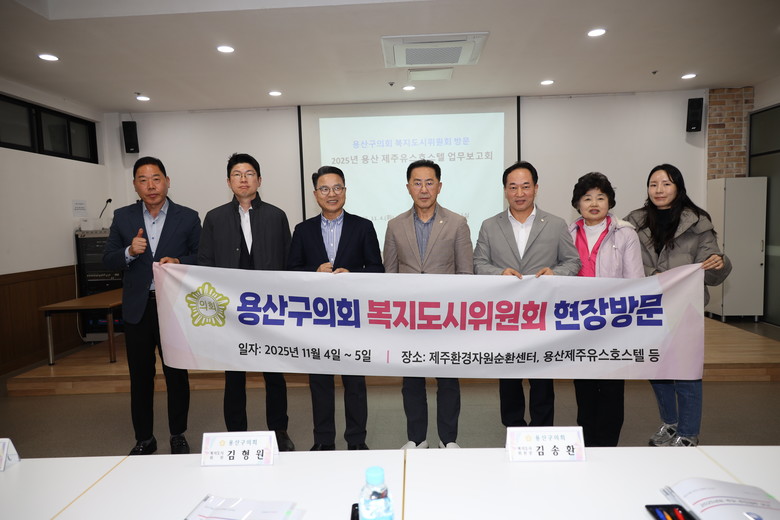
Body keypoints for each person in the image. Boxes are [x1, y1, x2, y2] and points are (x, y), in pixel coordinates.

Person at [626, 163, 731, 447]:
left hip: (685, 308)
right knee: (656, 369)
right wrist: (655, 277)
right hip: (648, 309)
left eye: (666, 184)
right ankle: (670, 424)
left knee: (686, 371)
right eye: (653, 184)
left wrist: (718, 263)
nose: (659, 190)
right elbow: (626, 263)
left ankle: (688, 432)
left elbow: (712, 272)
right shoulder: (633, 222)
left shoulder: (698, 222)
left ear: (678, 187)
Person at [103, 156, 201, 455]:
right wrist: (129, 251)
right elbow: (108, 260)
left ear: (167, 181)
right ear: (135, 185)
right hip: (139, 309)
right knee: (140, 376)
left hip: (174, 307)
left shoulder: (188, 217)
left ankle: (177, 434)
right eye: (143, 180)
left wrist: (180, 261)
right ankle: (144, 438)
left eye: (156, 179)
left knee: (176, 375)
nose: (150, 186)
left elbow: (203, 257)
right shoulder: (122, 217)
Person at [198, 152, 295, 451]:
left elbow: (289, 263)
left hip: (269, 310)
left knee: (274, 374)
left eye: (249, 173)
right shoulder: (214, 218)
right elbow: (205, 264)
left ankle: (279, 430)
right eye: (237, 174)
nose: (243, 179)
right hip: (231, 312)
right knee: (234, 376)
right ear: (228, 182)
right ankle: (235, 432)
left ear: (259, 180)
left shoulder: (276, 216)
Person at [473, 160, 580, 428]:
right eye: (513, 187)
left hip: (542, 315)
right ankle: (514, 431)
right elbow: (478, 264)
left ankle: (542, 431)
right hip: (505, 315)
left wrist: (555, 273)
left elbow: (573, 261)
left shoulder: (555, 224)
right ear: (505, 191)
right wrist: (499, 273)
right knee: (509, 380)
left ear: (536, 188)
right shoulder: (489, 225)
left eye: (525, 186)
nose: (519, 193)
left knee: (542, 380)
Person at [288, 166, 384, 451]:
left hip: (352, 317)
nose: (332, 194)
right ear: (315, 194)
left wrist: (353, 274)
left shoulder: (363, 226)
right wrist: (313, 272)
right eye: (325, 189)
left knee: (355, 383)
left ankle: (356, 441)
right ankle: (323, 441)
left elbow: (377, 269)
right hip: (316, 320)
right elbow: (290, 271)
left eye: (337, 187)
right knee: (320, 383)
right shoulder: (303, 230)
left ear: (345, 190)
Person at [384, 159, 473, 449]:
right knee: (412, 382)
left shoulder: (457, 223)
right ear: (408, 187)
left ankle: (449, 440)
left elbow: (465, 273)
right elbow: (389, 274)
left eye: (430, 182)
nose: (424, 189)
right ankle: (417, 438)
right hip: (408, 318)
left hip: (446, 317)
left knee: (447, 381)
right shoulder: (395, 225)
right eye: (417, 183)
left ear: (440, 186)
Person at [567, 172, 644, 447]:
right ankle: (588, 444)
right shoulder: (567, 233)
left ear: (610, 202)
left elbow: (635, 281)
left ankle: (609, 446)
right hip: (577, 323)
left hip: (614, 322)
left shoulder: (625, 233)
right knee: (584, 388)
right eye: (587, 198)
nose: (594, 203)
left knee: (611, 389)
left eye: (600, 197)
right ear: (577, 203)